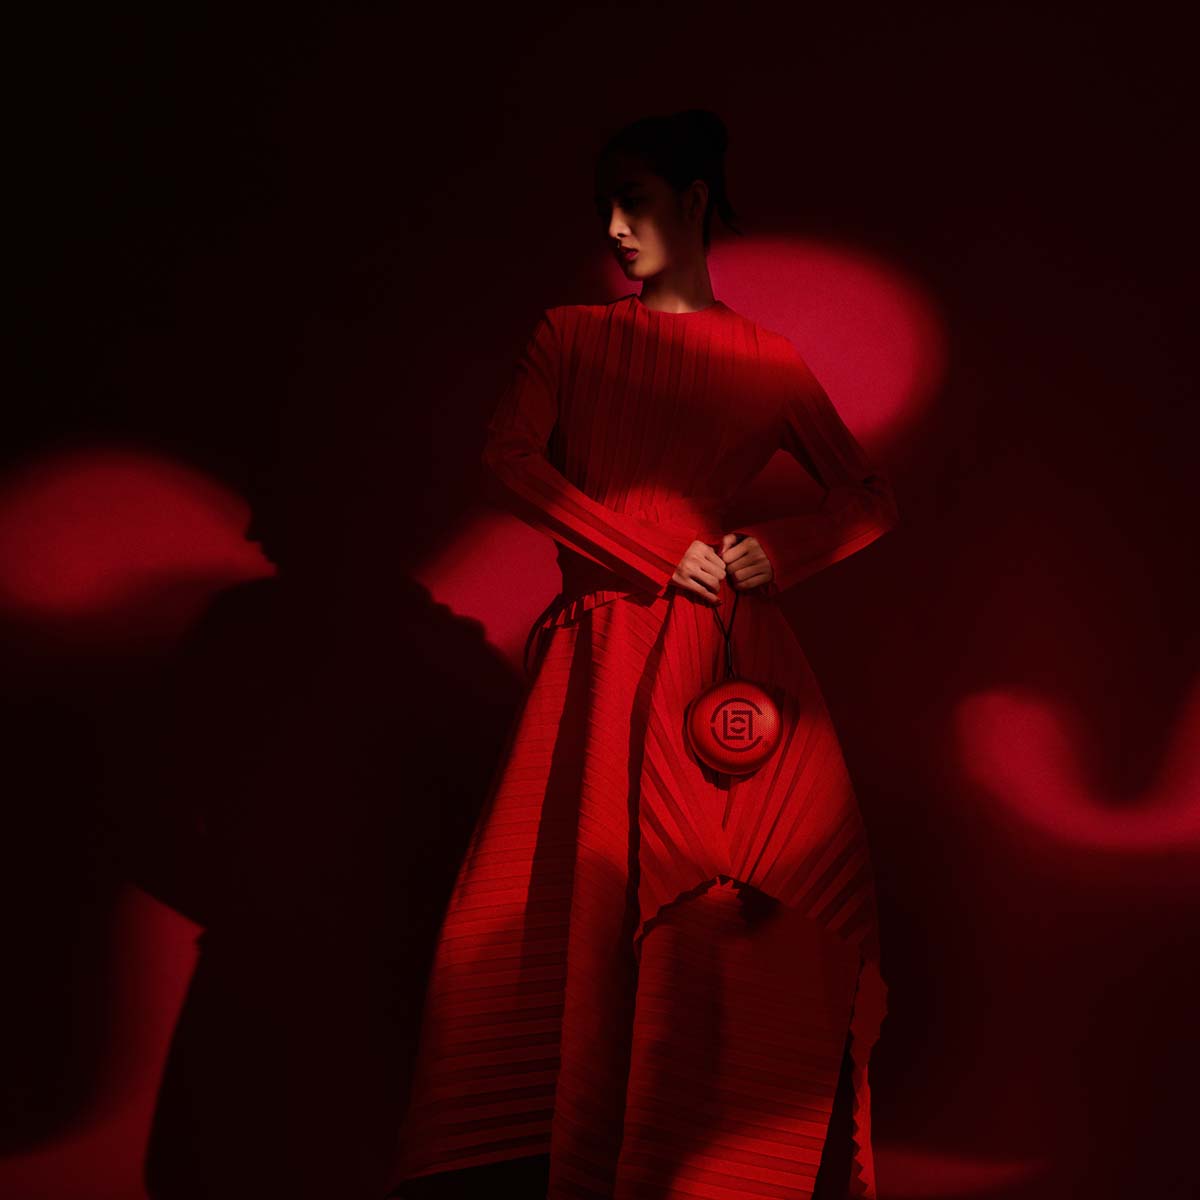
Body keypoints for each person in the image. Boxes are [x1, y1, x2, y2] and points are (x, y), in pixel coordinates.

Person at [387, 108, 900, 1200]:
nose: (615, 228)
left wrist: (780, 551)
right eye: (605, 207)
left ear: (694, 201)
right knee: (558, 915)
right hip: (601, 655)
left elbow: (868, 497)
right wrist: (653, 549)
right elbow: (510, 459)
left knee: (732, 914)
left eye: (636, 201)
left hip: (726, 668)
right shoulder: (570, 337)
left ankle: (712, 1159)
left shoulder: (767, 360)